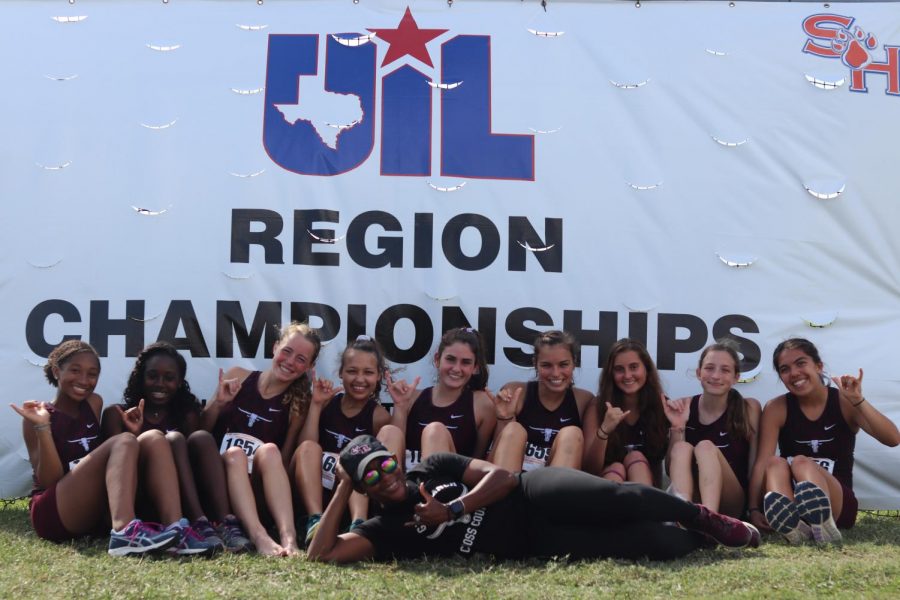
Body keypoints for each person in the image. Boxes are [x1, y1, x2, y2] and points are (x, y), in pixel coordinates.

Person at [306, 433, 759, 563]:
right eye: (370, 475)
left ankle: (702, 517)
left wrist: (453, 509)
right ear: (363, 487)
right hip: (532, 540)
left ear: (396, 461)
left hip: (531, 493)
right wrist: (343, 485)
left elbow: (501, 476)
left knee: (618, 498)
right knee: (650, 544)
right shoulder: (384, 530)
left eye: (386, 464)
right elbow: (320, 555)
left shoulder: (433, 465)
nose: (385, 477)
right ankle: (701, 542)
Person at [10, 340, 183, 556]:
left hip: (91, 508)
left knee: (154, 437)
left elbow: (107, 463)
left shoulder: (94, 403)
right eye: (75, 371)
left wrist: (134, 432)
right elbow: (49, 481)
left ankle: (176, 530)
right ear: (56, 371)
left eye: (92, 374)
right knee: (124, 441)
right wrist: (43, 427)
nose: (84, 380)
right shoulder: (37, 416)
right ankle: (124, 532)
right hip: (54, 512)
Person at [749, 338, 900, 544]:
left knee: (801, 462)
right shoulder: (777, 407)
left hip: (838, 503)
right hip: (794, 499)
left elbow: (893, 439)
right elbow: (762, 462)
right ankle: (795, 528)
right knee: (775, 462)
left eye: (801, 363)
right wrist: (754, 509)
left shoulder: (844, 401)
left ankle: (823, 524)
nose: (794, 373)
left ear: (818, 366)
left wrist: (858, 401)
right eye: (785, 369)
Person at [100, 341, 241, 552]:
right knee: (172, 439)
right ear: (141, 376)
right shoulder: (117, 414)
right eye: (152, 376)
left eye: (169, 378)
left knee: (198, 437)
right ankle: (196, 522)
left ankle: (222, 524)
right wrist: (135, 434)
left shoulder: (185, 414)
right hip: (140, 501)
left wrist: (219, 404)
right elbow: (115, 470)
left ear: (179, 381)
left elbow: (200, 445)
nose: (160, 383)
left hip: (179, 501)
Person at [199, 321, 321, 556]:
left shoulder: (297, 404)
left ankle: (288, 537)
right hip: (217, 487)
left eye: (300, 359)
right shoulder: (237, 376)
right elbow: (202, 431)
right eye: (287, 351)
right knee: (235, 454)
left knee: (271, 450)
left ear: (309, 367)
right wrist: (218, 404)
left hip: (255, 493)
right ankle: (260, 537)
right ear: (275, 347)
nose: (290, 362)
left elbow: (283, 462)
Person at [293, 335, 391, 546]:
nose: (359, 379)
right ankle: (315, 520)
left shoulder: (379, 416)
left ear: (378, 376)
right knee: (309, 447)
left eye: (368, 372)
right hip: (317, 493)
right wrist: (316, 406)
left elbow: (388, 463)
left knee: (360, 460)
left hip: (350, 497)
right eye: (352, 371)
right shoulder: (327, 403)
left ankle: (358, 523)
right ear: (341, 373)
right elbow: (304, 448)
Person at [664, 342, 761, 517]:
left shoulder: (749, 408)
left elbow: (755, 465)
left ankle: (711, 520)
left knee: (705, 447)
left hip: (732, 501)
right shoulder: (684, 406)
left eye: (725, 370)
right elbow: (671, 469)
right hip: (693, 497)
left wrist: (754, 508)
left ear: (736, 377)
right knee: (681, 448)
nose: (716, 376)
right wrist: (677, 428)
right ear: (698, 373)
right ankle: (682, 514)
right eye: (709, 368)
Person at [388, 327, 496, 468]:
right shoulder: (411, 398)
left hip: (449, 485)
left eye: (465, 362)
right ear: (437, 359)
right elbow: (394, 454)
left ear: (475, 367)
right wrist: (400, 407)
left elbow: (479, 460)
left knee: (435, 432)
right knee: (388, 432)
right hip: (406, 483)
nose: (456, 369)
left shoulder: (482, 404)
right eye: (450, 359)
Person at [489, 330, 593, 472]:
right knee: (514, 429)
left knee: (572, 434)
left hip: (551, 487)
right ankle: (507, 493)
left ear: (574, 363)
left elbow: (590, 468)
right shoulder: (515, 392)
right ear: (535, 364)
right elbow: (491, 462)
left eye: (563, 365)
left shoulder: (584, 400)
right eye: (546, 365)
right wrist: (504, 419)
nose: (555, 373)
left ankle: (553, 492)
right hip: (513, 482)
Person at [583, 339, 668, 486]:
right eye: (619, 369)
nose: (627, 375)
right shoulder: (597, 406)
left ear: (646, 369)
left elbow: (669, 467)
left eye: (634, 367)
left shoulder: (662, 405)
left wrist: (678, 429)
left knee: (635, 458)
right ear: (611, 374)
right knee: (616, 468)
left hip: (649, 490)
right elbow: (590, 469)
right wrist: (604, 431)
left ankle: (644, 507)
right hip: (608, 487)